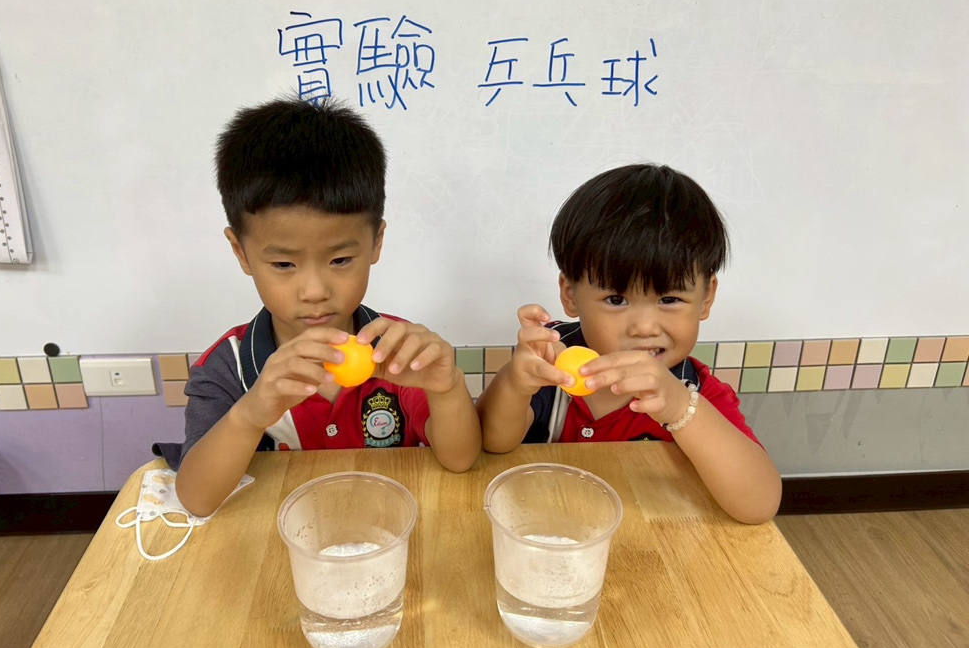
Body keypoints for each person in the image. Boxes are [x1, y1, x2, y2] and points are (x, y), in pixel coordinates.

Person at [170, 97, 481, 517]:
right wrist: (249, 416)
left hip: (388, 530)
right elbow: (196, 499)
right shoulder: (230, 366)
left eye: (340, 260)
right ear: (241, 252)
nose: (315, 291)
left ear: (376, 242)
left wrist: (446, 388)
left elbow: (460, 460)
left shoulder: (398, 349)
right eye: (284, 264)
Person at [476, 164, 780, 524]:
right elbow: (492, 442)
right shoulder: (551, 358)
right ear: (570, 294)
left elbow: (758, 506)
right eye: (616, 300)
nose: (644, 327)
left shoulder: (694, 392)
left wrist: (681, 410)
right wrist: (515, 383)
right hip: (544, 526)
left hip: (653, 542)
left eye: (669, 299)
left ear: (706, 297)